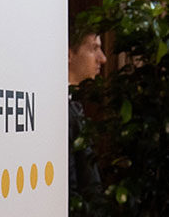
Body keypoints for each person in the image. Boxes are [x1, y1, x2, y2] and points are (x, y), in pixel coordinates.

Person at [69, 29, 106, 209]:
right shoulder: (56, 111)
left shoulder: (73, 106)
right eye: (94, 49)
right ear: (69, 54)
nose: (103, 58)